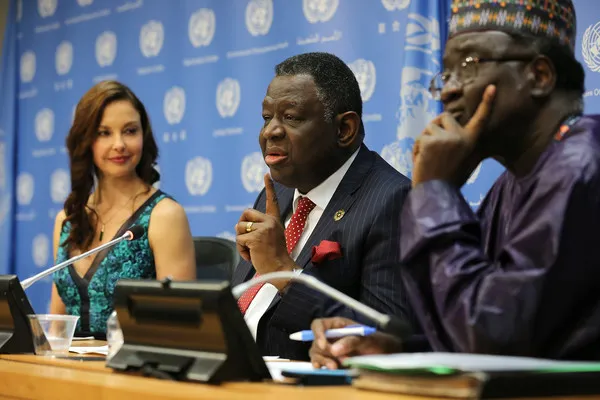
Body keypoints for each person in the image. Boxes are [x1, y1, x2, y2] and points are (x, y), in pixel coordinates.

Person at [309, 0, 600, 367]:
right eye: (446, 75)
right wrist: (394, 348)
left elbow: (493, 334)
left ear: (540, 75)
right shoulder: (510, 186)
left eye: (468, 67)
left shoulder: (583, 164)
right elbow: (485, 333)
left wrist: (435, 192)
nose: (448, 92)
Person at [231, 52, 417, 361]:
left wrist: (282, 270)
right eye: (267, 118)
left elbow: (387, 339)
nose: (270, 132)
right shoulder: (273, 194)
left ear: (344, 130)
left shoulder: (393, 201)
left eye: (291, 117)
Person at [50, 80, 196, 336]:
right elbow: (56, 326)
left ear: (143, 136)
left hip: (135, 369)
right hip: (69, 369)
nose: (119, 144)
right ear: (86, 140)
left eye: (129, 131)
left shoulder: (164, 215)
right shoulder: (68, 219)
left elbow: (179, 327)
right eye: (104, 133)